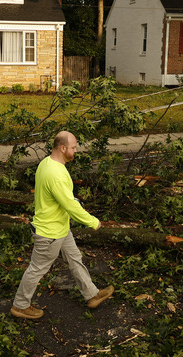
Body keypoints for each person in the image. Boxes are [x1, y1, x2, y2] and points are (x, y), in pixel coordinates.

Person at [11, 131, 114, 319]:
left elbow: (61, 196)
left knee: (75, 258)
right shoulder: (55, 173)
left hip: (60, 227)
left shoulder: (48, 163)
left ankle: (91, 294)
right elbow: (69, 205)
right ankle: (20, 305)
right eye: (74, 147)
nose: (76, 151)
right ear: (63, 148)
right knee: (36, 269)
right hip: (49, 232)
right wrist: (93, 222)